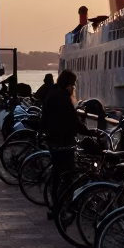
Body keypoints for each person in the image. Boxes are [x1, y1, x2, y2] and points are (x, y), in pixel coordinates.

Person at [42, 70, 89, 208]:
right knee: (67, 174)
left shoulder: (53, 93)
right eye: (72, 85)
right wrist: (88, 131)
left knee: (58, 174)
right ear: (67, 84)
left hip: (53, 140)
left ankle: (56, 204)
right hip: (62, 142)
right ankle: (65, 204)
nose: (73, 88)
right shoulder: (62, 98)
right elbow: (72, 120)